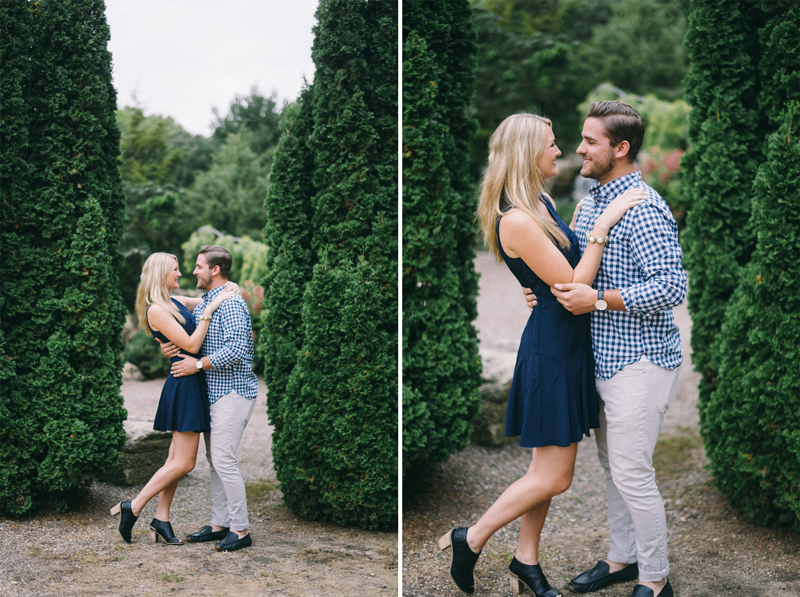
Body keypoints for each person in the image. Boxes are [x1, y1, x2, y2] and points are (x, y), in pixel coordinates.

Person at [438, 113, 644, 596]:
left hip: (567, 344)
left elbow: (557, 268)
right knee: (556, 476)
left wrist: (542, 285)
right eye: (551, 145)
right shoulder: (516, 218)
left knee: (541, 473)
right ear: (528, 153)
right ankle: (471, 536)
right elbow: (576, 283)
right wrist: (604, 226)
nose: (560, 151)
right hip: (552, 353)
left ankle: (526, 561)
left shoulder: (542, 203)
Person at [525, 101, 686, 597]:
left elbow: (672, 287)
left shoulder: (644, 207)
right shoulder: (592, 202)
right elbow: (575, 273)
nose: (578, 148)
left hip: (641, 360)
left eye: (590, 141)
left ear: (620, 148)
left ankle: (655, 578)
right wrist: (545, 288)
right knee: (615, 470)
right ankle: (621, 559)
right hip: (601, 358)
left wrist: (600, 298)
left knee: (634, 474)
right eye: (580, 138)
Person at [110, 252, 234, 545]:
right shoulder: (156, 310)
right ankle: (135, 505)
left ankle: (161, 519)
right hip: (184, 385)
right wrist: (211, 310)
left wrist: (225, 292)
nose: (181, 274)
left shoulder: (175, 302)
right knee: (185, 463)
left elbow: (211, 296)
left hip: (191, 380)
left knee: (174, 459)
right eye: (176, 270)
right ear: (162, 273)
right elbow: (192, 342)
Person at [159, 244, 259, 552]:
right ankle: (219, 524)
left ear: (214, 270)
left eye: (199, 266)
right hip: (213, 393)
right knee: (216, 461)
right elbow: (184, 312)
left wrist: (197, 364)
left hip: (233, 392)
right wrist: (167, 346)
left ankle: (241, 530)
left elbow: (237, 349)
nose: (193, 271)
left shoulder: (230, 304)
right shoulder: (210, 300)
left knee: (225, 461)